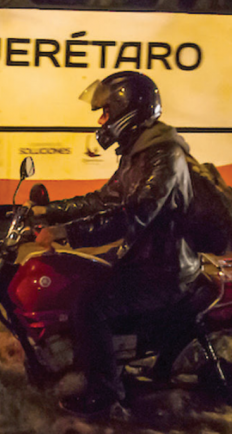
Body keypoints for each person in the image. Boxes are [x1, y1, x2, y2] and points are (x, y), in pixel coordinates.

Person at [32, 71, 201, 417]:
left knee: (90, 306)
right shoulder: (139, 153)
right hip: (141, 256)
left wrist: (66, 234)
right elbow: (102, 200)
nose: (100, 120)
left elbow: (130, 216)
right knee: (74, 280)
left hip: (163, 270)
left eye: (105, 112)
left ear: (127, 110)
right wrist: (47, 211)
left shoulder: (163, 156)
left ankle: (106, 399)